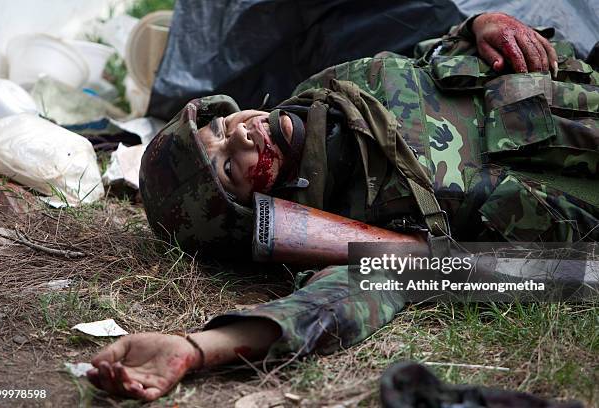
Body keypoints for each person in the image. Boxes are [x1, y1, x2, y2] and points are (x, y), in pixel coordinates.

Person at [88, 12, 599, 401]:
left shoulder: (332, 85)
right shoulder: (335, 232)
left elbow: (429, 57)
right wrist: (197, 349)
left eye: (220, 128)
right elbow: (335, 303)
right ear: (248, 213)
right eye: (227, 168)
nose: (241, 134)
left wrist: (479, 26)